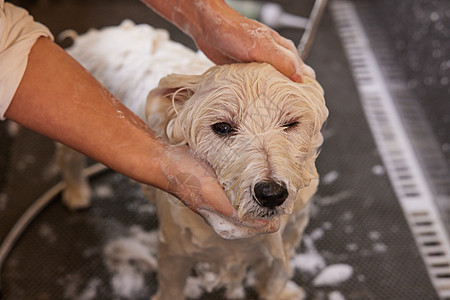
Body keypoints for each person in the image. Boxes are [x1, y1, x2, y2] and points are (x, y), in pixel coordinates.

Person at [0, 0, 312, 238]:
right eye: (223, 127)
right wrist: (164, 164)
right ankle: (72, 176)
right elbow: (8, 49)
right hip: (81, 59)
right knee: (72, 146)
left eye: (290, 124)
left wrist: (207, 16)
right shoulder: (175, 105)